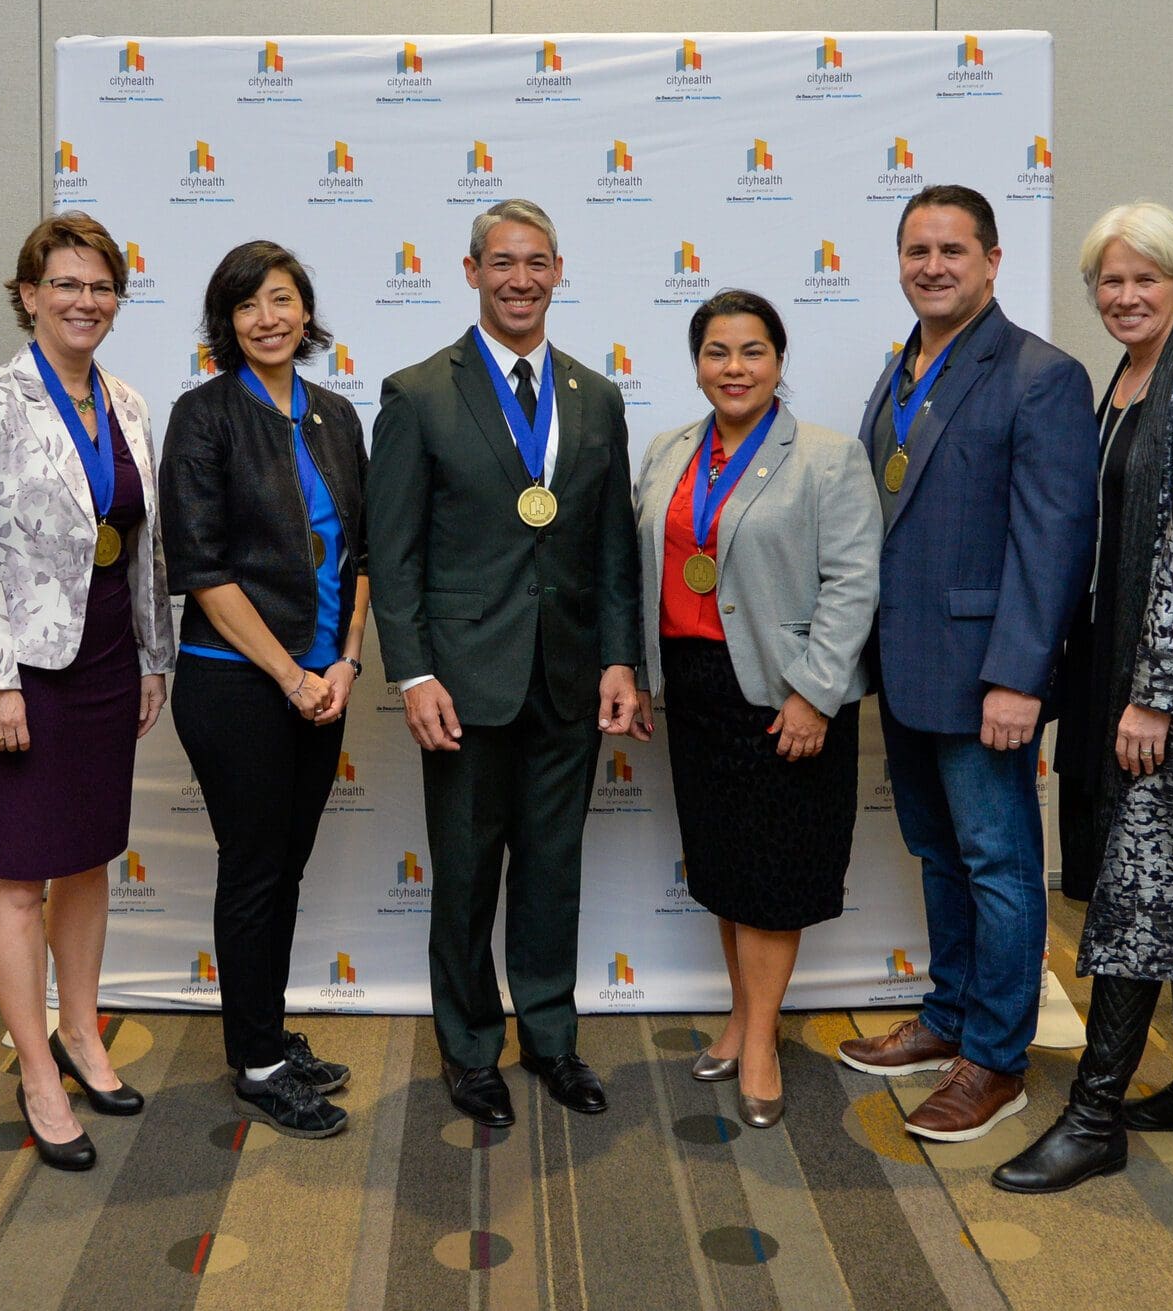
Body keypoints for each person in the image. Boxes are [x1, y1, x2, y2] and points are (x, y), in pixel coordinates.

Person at [994, 203, 1173, 1193]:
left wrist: (1156, 696)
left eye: (1143, 280)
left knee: (1141, 891)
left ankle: (1093, 1117)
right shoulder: (1125, 380)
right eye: (1109, 282)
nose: (1123, 297)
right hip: (1125, 676)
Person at [365, 198, 642, 1130]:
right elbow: (391, 553)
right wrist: (412, 673)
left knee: (553, 868)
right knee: (468, 871)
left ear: (560, 271)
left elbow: (612, 551)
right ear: (471, 270)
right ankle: (471, 1048)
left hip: (568, 678)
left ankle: (553, 1040)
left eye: (537, 263)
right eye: (502, 262)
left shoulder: (594, 396)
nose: (520, 279)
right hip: (463, 682)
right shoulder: (417, 393)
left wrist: (620, 660)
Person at [835, 184, 1097, 1144]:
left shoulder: (1039, 373)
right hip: (906, 667)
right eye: (916, 250)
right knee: (939, 853)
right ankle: (949, 1015)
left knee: (1000, 866)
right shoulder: (902, 367)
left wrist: (1019, 676)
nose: (932, 266)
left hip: (988, 675)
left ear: (991, 260)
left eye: (952, 249)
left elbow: (1055, 540)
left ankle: (996, 1057)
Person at [0, 211, 173, 1171]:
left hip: (111, 655)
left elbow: (146, 548)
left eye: (101, 285)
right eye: (65, 284)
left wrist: (156, 653)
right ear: (28, 295)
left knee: (87, 858)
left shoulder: (129, 402)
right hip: (24, 672)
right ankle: (36, 1067)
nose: (85, 301)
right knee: (19, 873)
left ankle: (83, 1033)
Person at [627, 290, 878, 1128]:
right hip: (696, 690)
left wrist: (815, 693)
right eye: (717, 353)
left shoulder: (827, 457)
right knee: (726, 867)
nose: (734, 369)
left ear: (780, 360)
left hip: (782, 691)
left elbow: (853, 582)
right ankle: (740, 1017)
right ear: (697, 363)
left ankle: (762, 1040)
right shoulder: (667, 451)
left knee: (773, 874)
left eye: (753, 352)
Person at [161, 241, 368, 1141]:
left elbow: (361, 552)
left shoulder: (335, 415)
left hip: (325, 681)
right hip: (237, 684)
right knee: (253, 867)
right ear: (226, 323)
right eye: (247, 305)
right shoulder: (202, 417)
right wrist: (289, 675)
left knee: (284, 865)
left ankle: (268, 1033)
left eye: (281, 299)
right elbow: (201, 568)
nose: (267, 318)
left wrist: (345, 663)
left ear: (305, 310)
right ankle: (254, 1064)